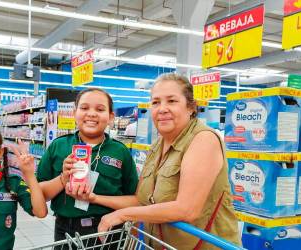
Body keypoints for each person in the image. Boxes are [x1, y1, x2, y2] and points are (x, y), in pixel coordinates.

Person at [87, 73, 240, 249]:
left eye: (172, 101)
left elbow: (187, 209)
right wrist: (94, 198)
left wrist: (123, 215)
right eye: (156, 102)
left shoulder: (204, 140)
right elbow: (142, 201)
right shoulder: (156, 146)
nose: (162, 108)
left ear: (191, 107)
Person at [37, 88, 139, 246]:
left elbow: (135, 201)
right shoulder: (58, 146)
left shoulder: (120, 151)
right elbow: (40, 194)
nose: (91, 114)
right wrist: (63, 178)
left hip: (108, 229)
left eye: (100, 109)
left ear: (111, 117)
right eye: (84, 108)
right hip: (65, 228)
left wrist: (96, 199)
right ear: (74, 112)